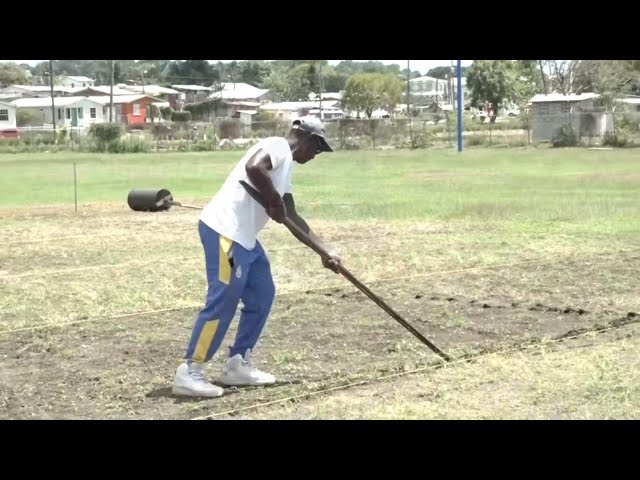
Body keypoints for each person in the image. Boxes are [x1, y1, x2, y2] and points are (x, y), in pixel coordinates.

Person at [172, 117, 341, 398]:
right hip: (225, 232)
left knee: (262, 294)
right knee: (223, 298)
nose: (317, 154)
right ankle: (190, 370)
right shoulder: (277, 146)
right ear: (307, 138)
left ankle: (237, 364)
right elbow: (254, 167)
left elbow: (291, 216)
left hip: (246, 240)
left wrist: (325, 252)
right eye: (318, 147)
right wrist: (273, 201)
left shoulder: (285, 170)